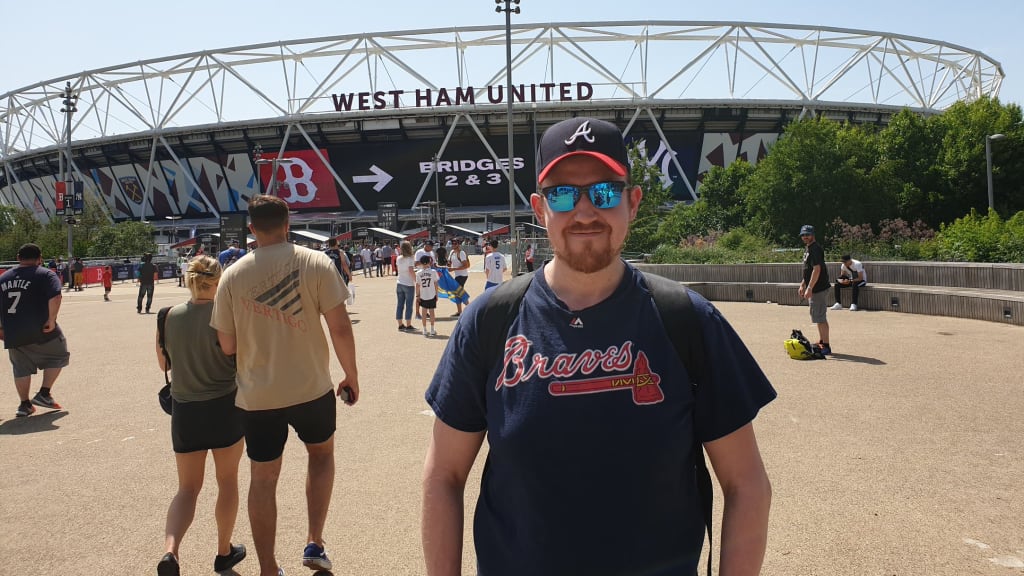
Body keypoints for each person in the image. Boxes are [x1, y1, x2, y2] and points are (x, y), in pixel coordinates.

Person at [421, 117, 775, 576]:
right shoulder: (491, 320)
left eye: (605, 192)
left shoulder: (687, 319)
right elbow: (443, 475)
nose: (585, 212)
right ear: (538, 208)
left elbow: (746, 483)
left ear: (633, 202)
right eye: (563, 194)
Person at [211, 195, 359, 576]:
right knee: (321, 456)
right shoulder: (315, 262)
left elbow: (226, 345)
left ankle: (268, 567)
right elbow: (340, 327)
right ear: (288, 222)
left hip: (258, 394)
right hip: (311, 387)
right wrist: (351, 374)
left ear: (251, 229)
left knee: (262, 478)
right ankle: (314, 541)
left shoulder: (232, 275)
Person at [155, 255, 246, 576]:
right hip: (225, 406)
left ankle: (171, 551)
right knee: (227, 481)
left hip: (185, 410)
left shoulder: (167, 316)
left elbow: (164, 365)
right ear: (219, 280)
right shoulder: (228, 316)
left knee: (187, 488)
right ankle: (223, 551)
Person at [0, 244, 70, 417]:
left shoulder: (3, 278)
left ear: (18, 257)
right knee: (60, 355)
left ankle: (24, 405)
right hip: (41, 329)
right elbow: (56, 295)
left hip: (13, 331)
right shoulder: (45, 274)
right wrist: (51, 320)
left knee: (20, 368)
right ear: (40, 258)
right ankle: (44, 394)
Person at [799, 224, 831, 355]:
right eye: (803, 235)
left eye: (808, 234)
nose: (805, 237)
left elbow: (817, 269)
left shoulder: (815, 249)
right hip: (814, 287)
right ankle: (822, 341)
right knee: (817, 316)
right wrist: (803, 284)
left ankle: (826, 345)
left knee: (820, 317)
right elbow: (809, 269)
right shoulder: (809, 248)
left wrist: (810, 287)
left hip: (818, 288)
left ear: (813, 235)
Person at [415, 254, 439, 338]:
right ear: (429, 262)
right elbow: (436, 283)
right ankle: (432, 329)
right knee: (432, 312)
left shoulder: (418, 273)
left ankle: (425, 330)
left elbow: (417, 285)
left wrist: (417, 295)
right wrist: (437, 294)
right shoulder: (433, 272)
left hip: (423, 295)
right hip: (431, 294)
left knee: (424, 312)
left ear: (421, 263)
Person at [446, 238, 471, 317]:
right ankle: (460, 311)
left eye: (455, 243)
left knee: (459, 292)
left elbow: (466, 265)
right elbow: (449, 263)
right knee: (457, 293)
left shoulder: (461, 253)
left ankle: (469, 308)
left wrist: (454, 269)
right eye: (452, 243)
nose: (453, 245)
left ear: (459, 244)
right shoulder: (452, 252)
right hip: (457, 275)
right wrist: (447, 265)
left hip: (462, 275)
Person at [395, 241, 417, 332]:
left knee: (400, 304)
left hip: (399, 282)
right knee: (409, 305)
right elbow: (411, 270)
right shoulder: (411, 258)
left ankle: (400, 324)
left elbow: (398, 269)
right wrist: (416, 281)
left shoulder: (399, 258)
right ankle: (408, 324)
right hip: (408, 283)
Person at [413, 241, 438, 320]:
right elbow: (416, 263)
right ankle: (417, 313)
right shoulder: (419, 252)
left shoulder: (431, 253)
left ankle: (425, 311)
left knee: (428, 294)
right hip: (421, 274)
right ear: (426, 246)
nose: (431, 248)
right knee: (419, 294)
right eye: (430, 246)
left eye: (432, 247)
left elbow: (433, 264)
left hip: (430, 275)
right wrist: (425, 262)